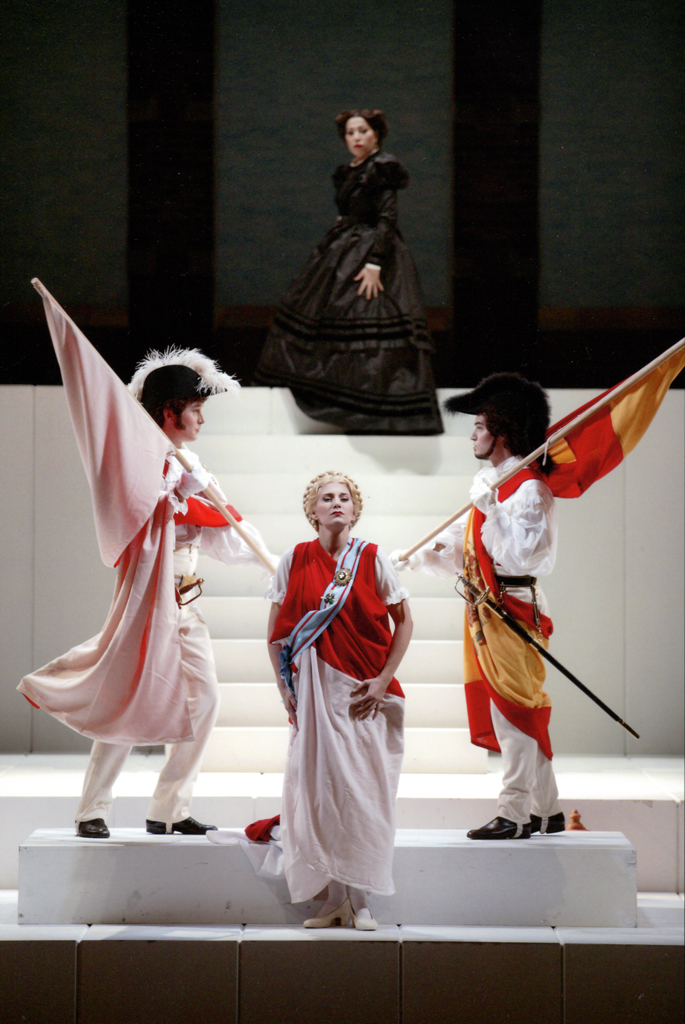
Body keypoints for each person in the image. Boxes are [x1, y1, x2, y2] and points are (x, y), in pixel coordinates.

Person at [19, 348, 275, 839]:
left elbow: (226, 529)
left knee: (207, 701)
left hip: (186, 603)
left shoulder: (191, 463)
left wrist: (276, 566)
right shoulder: (139, 462)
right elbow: (134, 519)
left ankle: (169, 809)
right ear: (169, 411)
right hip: (146, 601)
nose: (201, 419)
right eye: (195, 409)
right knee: (125, 700)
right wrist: (181, 496)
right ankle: (92, 808)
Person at [395, 374, 565, 839]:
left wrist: (492, 509)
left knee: (515, 712)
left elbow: (518, 557)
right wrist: (425, 553)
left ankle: (514, 815)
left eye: (479, 424)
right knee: (515, 710)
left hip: (513, 607)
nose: (472, 433)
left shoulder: (528, 488)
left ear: (502, 430)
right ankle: (547, 810)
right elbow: (473, 552)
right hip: (487, 606)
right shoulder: (491, 482)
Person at [266, 471, 412, 928]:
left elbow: (404, 622)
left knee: (364, 793)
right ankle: (334, 899)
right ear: (312, 511)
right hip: (312, 692)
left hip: (364, 692)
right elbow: (277, 635)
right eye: (325, 498)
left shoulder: (371, 557)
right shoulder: (294, 559)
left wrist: (385, 680)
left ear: (355, 508)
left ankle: (362, 899)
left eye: (343, 498)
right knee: (320, 791)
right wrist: (285, 691)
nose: (335, 504)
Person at [254, 108, 443, 435]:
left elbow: (387, 218)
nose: (356, 138)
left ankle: (374, 411)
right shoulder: (350, 170)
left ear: (376, 134)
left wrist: (375, 263)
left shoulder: (382, 168)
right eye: (350, 133)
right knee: (324, 318)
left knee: (370, 323)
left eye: (362, 131)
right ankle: (340, 402)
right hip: (344, 249)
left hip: (372, 251)